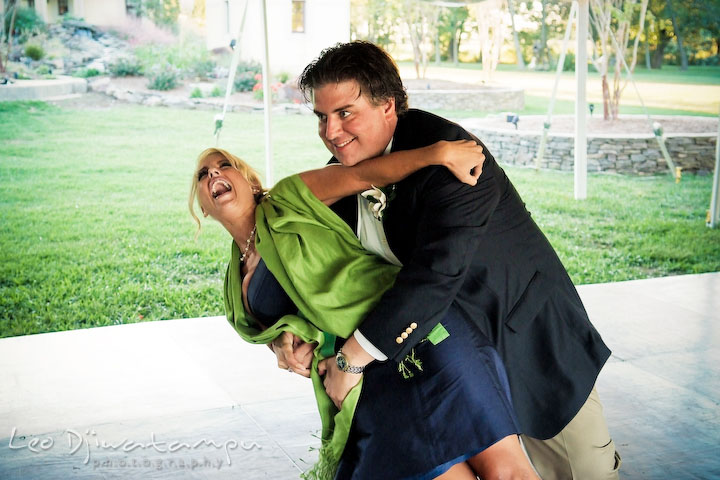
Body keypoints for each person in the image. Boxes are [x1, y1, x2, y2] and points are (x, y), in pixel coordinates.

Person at [285, 41, 621, 480]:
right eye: (321, 117)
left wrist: (349, 361)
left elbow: (433, 277)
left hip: (523, 339)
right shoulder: (343, 174)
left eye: (345, 113)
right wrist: (290, 333)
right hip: (451, 363)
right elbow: (315, 262)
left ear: (388, 106)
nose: (331, 131)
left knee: (583, 472)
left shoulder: (456, 159)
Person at [189, 145, 541, 479]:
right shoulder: (236, 284)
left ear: (250, 181)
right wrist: (283, 343)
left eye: (225, 165)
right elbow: (287, 321)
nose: (214, 174)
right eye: (204, 173)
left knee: (505, 472)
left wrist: (437, 154)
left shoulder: (289, 199)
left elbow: (361, 175)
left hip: (414, 332)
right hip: (361, 375)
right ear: (203, 206)